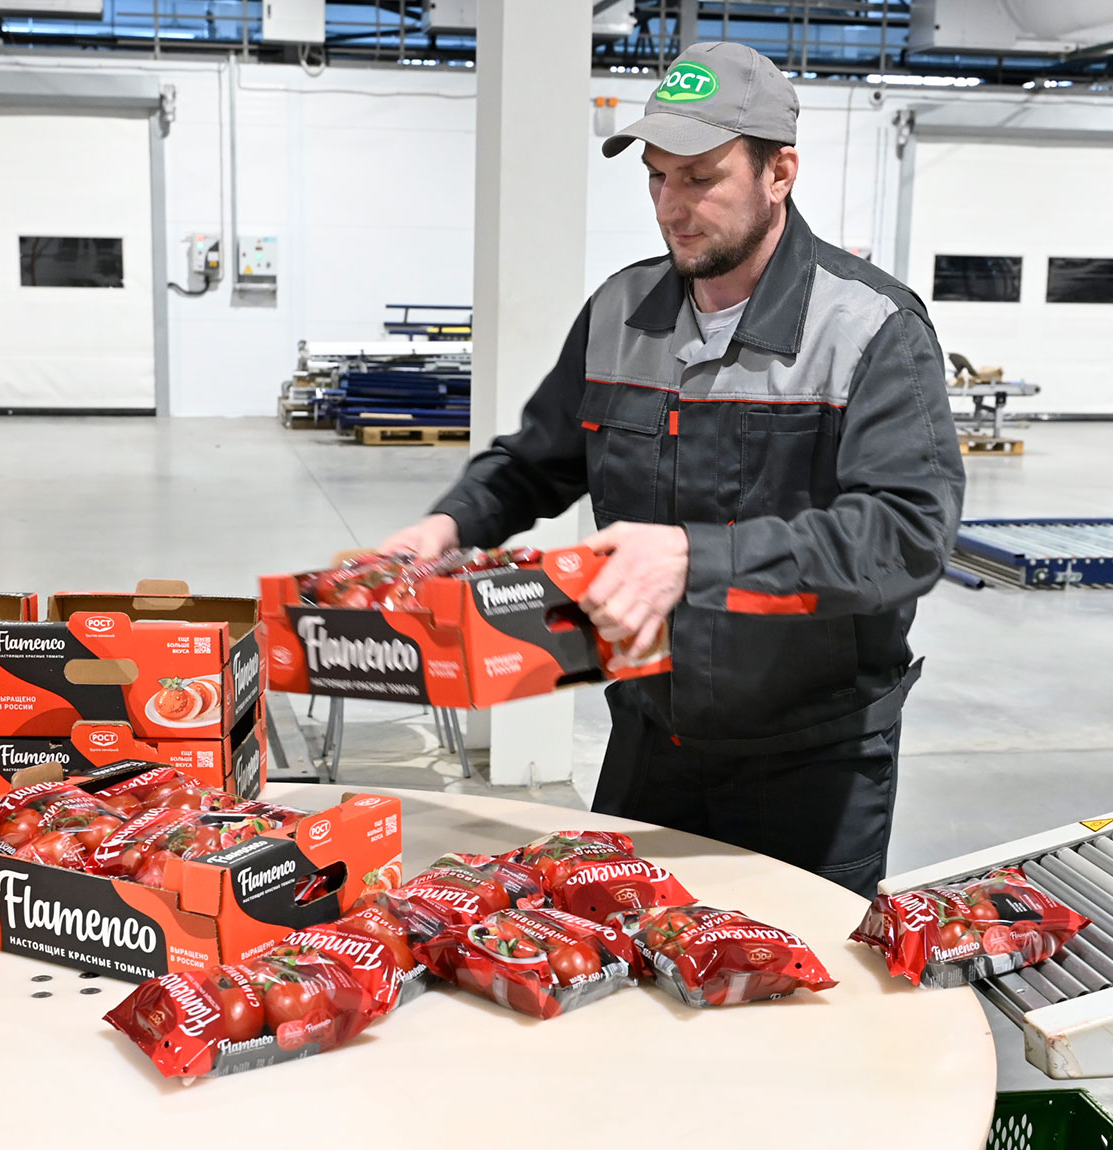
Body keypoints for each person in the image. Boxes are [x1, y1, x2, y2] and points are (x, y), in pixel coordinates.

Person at [380, 41, 965, 899]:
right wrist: (451, 522)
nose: (671, 207)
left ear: (779, 172)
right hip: (650, 740)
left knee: (793, 976)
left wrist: (695, 558)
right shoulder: (621, 310)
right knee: (620, 958)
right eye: (656, 178)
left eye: (699, 178)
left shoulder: (870, 328)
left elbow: (906, 536)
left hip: (813, 762)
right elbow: (538, 460)